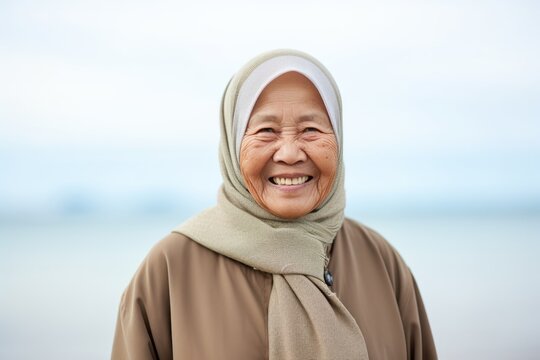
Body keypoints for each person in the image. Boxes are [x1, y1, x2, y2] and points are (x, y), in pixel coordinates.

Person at [111, 49, 437, 360]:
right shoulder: (170, 270)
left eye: (311, 130)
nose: (290, 153)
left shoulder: (381, 263)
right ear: (232, 142)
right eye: (266, 131)